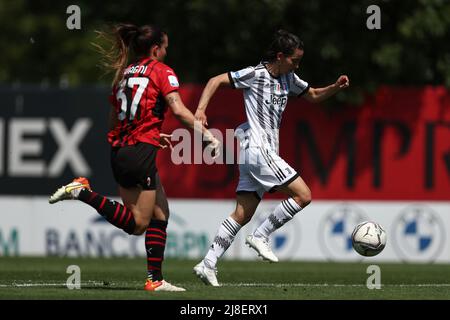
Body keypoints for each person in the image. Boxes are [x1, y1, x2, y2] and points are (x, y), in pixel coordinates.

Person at [49, 23, 219, 292]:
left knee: (160, 212)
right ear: (155, 49)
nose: (166, 52)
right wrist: (206, 135)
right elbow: (178, 109)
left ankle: (155, 280)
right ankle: (83, 193)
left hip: (122, 150)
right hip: (139, 152)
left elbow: (114, 120)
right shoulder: (161, 71)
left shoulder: (123, 74)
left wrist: (150, 135)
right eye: (164, 47)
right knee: (138, 224)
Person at [193, 30, 349, 286]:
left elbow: (312, 95)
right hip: (257, 150)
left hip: (256, 154)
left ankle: (208, 263)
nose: (297, 65)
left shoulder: (289, 78)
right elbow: (215, 80)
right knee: (303, 195)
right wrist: (200, 110)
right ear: (280, 56)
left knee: (241, 214)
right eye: (294, 60)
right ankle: (261, 235)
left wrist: (334, 87)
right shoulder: (255, 74)